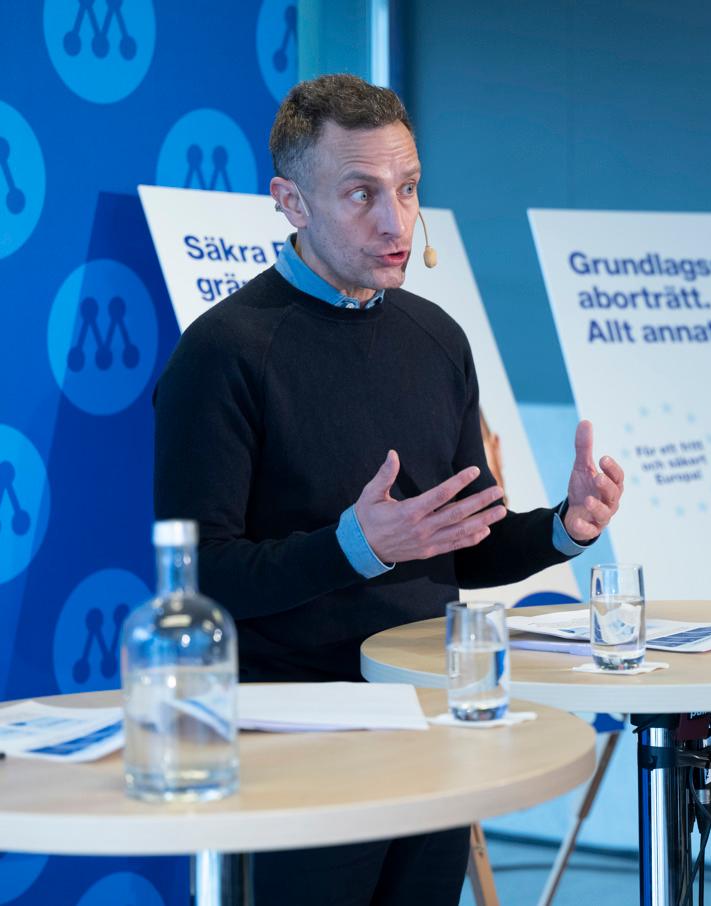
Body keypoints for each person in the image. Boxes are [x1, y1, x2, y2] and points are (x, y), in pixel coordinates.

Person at [153, 74, 623, 906]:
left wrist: (564, 529)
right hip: (293, 739)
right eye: (361, 193)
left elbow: (457, 553)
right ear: (291, 203)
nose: (394, 220)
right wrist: (354, 547)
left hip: (431, 717)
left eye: (407, 190)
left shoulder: (436, 337)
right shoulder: (224, 353)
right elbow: (201, 579)